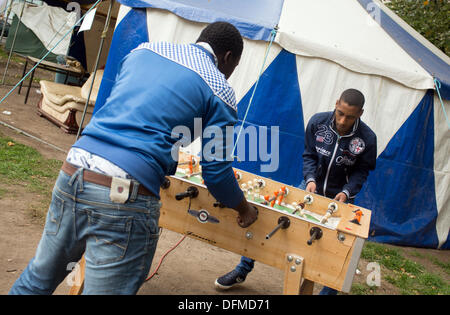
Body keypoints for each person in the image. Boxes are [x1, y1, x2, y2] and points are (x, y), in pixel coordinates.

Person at [9, 22, 258, 295]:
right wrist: (244, 209)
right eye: (233, 69)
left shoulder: (144, 51)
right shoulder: (220, 89)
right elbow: (217, 174)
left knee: (37, 280)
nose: (230, 75)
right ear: (228, 57)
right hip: (125, 191)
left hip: (75, 168)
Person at [214, 88, 377, 295]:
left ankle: (328, 293)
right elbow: (309, 155)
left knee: (339, 248)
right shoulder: (318, 122)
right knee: (270, 220)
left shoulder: (368, 138)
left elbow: (362, 171)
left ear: (360, 114)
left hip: (341, 197)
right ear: (336, 104)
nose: (343, 121)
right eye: (340, 113)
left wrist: (347, 191)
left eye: (350, 117)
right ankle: (242, 269)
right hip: (309, 187)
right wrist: (309, 179)